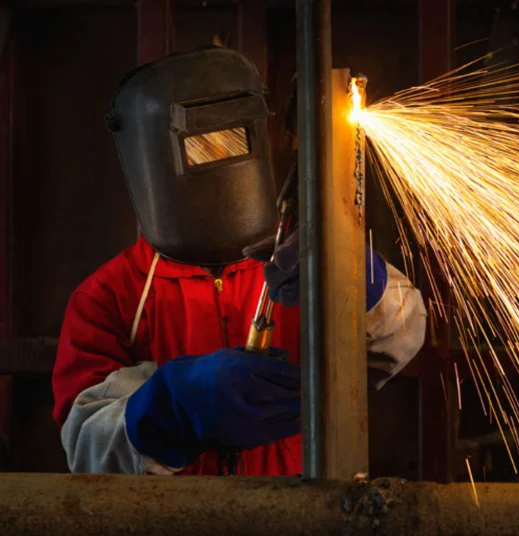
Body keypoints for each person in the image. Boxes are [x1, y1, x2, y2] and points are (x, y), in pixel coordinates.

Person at [51, 47, 426, 475]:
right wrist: (171, 408)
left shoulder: (302, 266)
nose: (215, 158)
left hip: (305, 517)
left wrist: (359, 279)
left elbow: (404, 337)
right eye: (197, 145)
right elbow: (87, 448)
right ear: (148, 155)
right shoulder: (109, 297)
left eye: (230, 140)